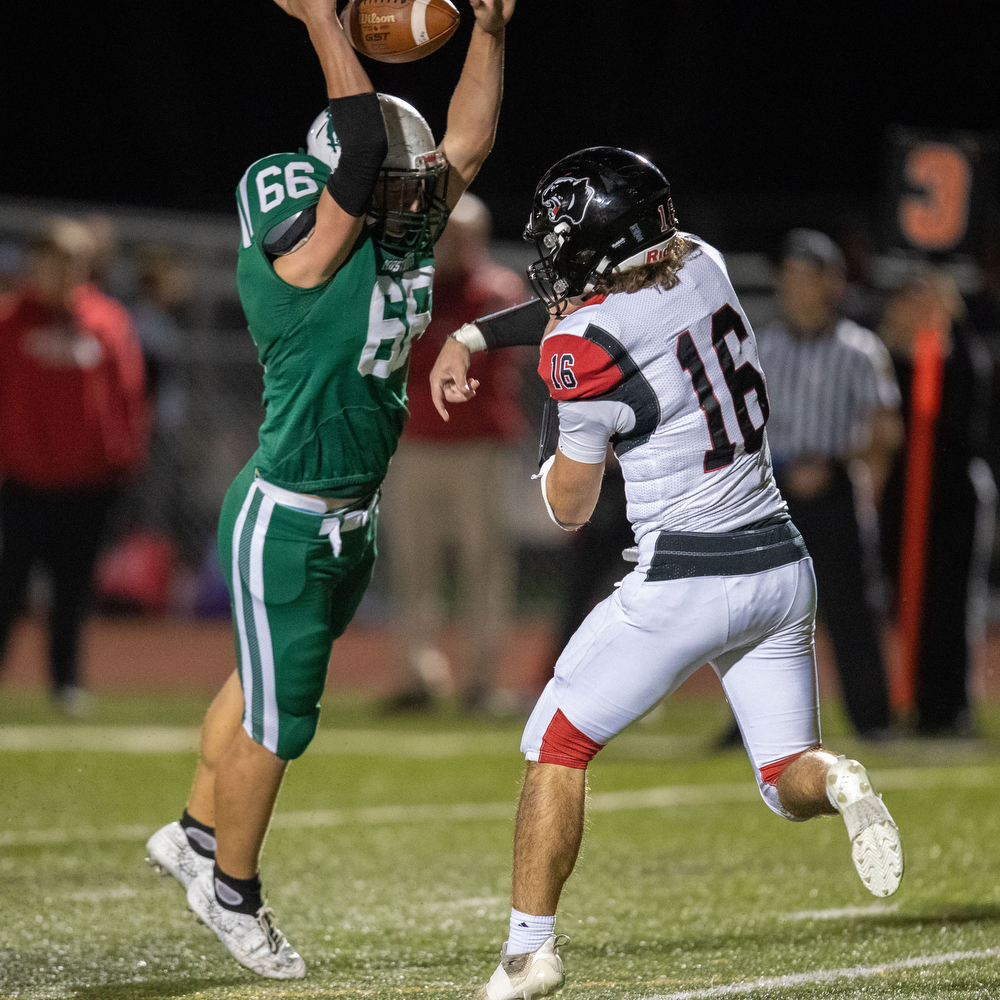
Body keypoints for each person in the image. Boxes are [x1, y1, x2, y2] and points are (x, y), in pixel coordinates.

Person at [430, 148, 904, 1000]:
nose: (556, 260)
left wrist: (555, 437)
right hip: (781, 567)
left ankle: (527, 953)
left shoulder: (585, 342)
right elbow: (588, 310)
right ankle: (838, 779)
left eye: (568, 244)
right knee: (784, 775)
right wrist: (478, 332)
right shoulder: (706, 265)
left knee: (555, 743)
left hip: (687, 575)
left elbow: (570, 508)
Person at [143, 0, 516, 980]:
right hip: (293, 515)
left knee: (257, 683)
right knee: (281, 720)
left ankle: (190, 830)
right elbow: (359, 152)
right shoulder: (295, 259)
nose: (418, 188)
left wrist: (489, 30)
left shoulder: (389, 232)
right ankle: (232, 891)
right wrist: (321, 21)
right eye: (396, 178)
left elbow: (467, 143)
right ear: (343, 184)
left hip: (350, 511)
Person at [381, 192, 529, 712]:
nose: (452, 246)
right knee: (413, 566)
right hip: (418, 445)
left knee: (483, 567)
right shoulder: (412, 292)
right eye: (445, 234)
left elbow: (477, 367)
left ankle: (482, 680)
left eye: (462, 236)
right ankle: (419, 675)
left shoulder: (497, 291)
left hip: (478, 449)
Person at [753, 229, 902, 738]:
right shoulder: (762, 347)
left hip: (836, 490)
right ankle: (752, 724)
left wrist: (838, 464)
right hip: (774, 492)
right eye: (788, 278)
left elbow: (885, 431)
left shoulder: (860, 350)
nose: (795, 289)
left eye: (806, 278)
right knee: (760, 611)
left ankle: (873, 720)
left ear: (830, 284)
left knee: (850, 611)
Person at [0, 217, 149, 716]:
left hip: (89, 487)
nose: (60, 271)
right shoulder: (9, 322)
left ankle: (66, 683)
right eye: (50, 259)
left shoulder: (108, 322)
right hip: (19, 483)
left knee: (73, 591)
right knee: (7, 587)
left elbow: (129, 398)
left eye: (71, 261)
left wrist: (124, 462)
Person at [879, 269, 993, 735]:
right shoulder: (885, 358)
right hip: (901, 496)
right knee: (905, 598)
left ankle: (953, 705)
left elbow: (964, 428)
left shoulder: (964, 356)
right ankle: (914, 700)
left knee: (952, 600)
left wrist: (934, 353)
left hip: (953, 495)